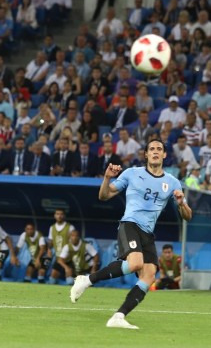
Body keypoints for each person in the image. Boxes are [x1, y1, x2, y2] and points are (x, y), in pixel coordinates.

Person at [69, 140, 192, 329]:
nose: (156, 152)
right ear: (146, 154)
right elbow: (104, 196)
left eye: (159, 149)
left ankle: (118, 317)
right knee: (136, 263)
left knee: (149, 276)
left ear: (165, 155)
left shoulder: (173, 182)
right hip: (130, 224)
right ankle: (87, 280)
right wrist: (107, 178)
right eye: (152, 149)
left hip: (148, 233)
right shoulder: (132, 173)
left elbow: (187, 216)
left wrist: (182, 203)